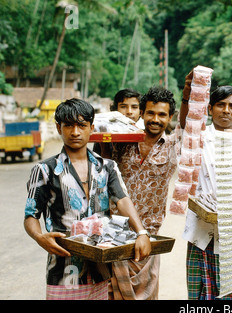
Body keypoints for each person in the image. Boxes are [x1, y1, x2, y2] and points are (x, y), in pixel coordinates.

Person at [23, 98, 151, 300]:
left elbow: (122, 200)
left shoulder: (107, 167)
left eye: (82, 125)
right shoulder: (44, 170)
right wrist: (39, 238)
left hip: (99, 270)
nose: (75, 132)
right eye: (69, 126)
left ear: (91, 128)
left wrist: (141, 232)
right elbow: (31, 215)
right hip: (63, 271)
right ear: (59, 127)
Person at [181, 73, 232, 300]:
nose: (226, 110)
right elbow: (185, 122)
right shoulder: (198, 137)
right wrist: (187, 90)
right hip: (200, 234)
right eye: (220, 105)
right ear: (210, 109)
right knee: (199, 298)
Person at [109, 86, 178, 300]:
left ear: (170, 117)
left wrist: (187, 91)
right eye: (150, 113)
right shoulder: (122, 140)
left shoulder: (174, 145)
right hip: (113, 235)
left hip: (147, 239)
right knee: (111, 294)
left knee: (145, 296)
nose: (155, 119)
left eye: (162, 114)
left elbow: (188, 123)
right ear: (142, 113)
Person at [93, 88, 142, 157]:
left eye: (134, 107)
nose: (129, 112)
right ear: (115, 109)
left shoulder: (143, 136)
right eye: (123, 107)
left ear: (141, 112)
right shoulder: (105, 134)